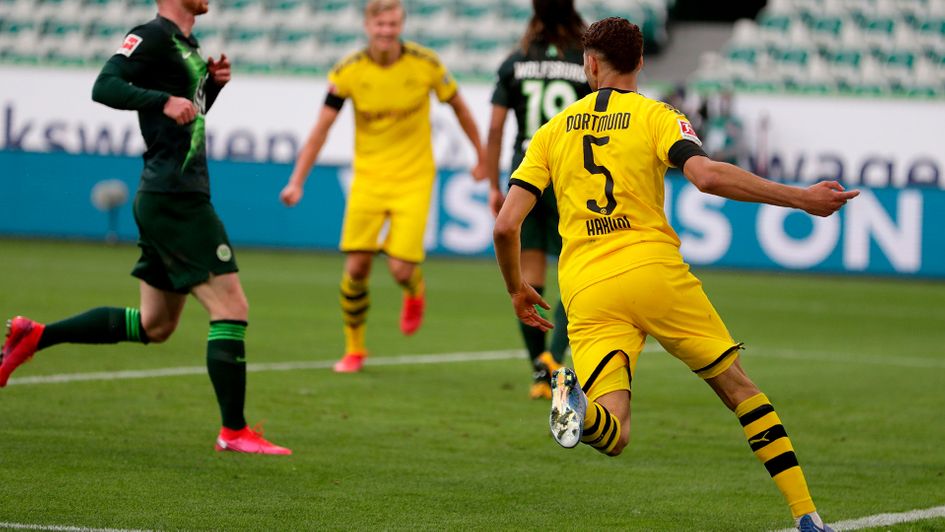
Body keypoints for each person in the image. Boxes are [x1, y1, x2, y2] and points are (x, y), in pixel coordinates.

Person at [493, 18, 857, 532]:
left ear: (590, 65)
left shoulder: (551, 132)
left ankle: (577, 403)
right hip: (651, 270)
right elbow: (706, 176)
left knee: (613, 433)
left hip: (587, 288)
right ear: (640, 63)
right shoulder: (658, 115)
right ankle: (807, 517)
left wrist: (516, 289)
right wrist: (800, 198)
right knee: (737, 387)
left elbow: (507, 225)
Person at [0, 0, 291, 455]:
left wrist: (209, 89)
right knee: (232, 306)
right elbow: (104, 85)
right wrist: (163, 99)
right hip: (176, 198)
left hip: (168, 194)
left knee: (156, 324)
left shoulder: (186, 45)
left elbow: (184, 116)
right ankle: (233, 430)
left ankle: (36, 335)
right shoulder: (151, 35)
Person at [280, 0, 486, 373]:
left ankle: (415, 289)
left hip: (414, 178)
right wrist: (297, 181)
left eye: (393, 24)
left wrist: (481, 155)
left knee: (401, 271)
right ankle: (354, 349)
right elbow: (320, 130)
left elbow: (460, 108)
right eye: (380, 25)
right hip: (369, 180)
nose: (386, 31)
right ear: (367, 26)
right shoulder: (349, 72)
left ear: (401, 25)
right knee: (357, 267)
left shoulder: (426, 64)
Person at [484, 0, 590, 400]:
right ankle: (556, 358)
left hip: (525, 176)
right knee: (574, 270)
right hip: (569, 176)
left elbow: (495, 127)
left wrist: (495, 184)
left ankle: (537, 372)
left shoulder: (516, 61)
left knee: (527, 274)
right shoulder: (584, 62)